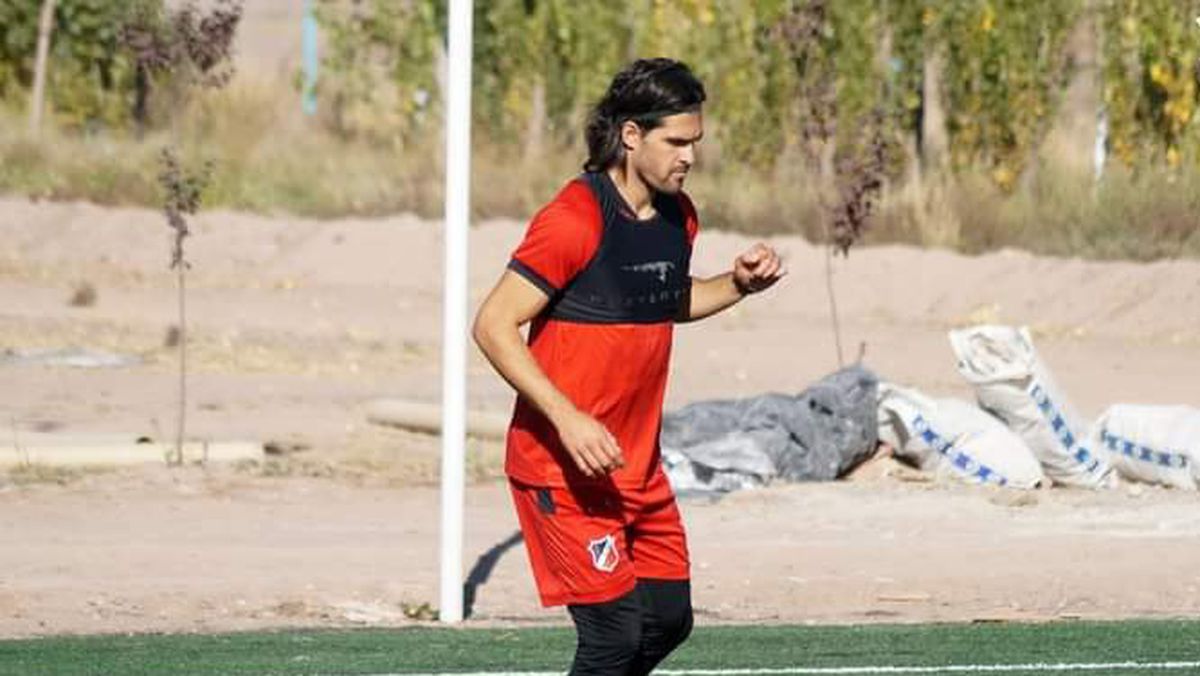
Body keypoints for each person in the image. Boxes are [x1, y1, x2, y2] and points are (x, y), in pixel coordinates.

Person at [472, 58, 785, 675]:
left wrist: (739, 285)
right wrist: (569, 419)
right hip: (561, 469)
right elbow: (493, 325)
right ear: (631, 135)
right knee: (613, 635)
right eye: (676, 142)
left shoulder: (678, 216)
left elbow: (667, 303)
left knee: (669, 620)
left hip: (636, 470)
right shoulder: (574, 220)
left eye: (695, 142)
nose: (689, 156)